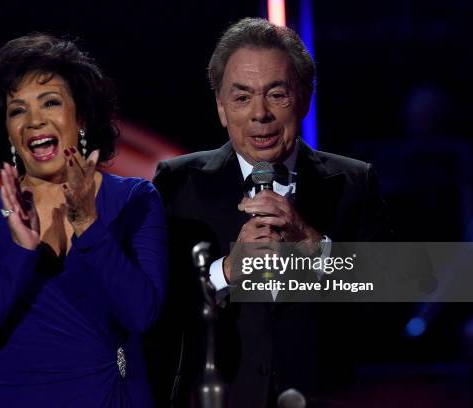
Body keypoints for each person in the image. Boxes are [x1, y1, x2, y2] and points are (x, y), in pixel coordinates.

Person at [147, 18, 391, 407]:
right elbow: (151, 307)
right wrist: (224, 272)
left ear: (306, 98)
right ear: (221, 108)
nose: (260, 114)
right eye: (242, 98)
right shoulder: (177, 183)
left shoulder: (354, 182)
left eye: (277, 95)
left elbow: (391, 305)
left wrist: (318, 248)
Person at [0, 33, 168, 407]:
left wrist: (90, 227)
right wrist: (19, 254)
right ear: (9, 133)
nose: (34, 121)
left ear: (80, 116)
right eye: (17, 110)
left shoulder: (134, 200)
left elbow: (141, 314)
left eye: (50, 102)